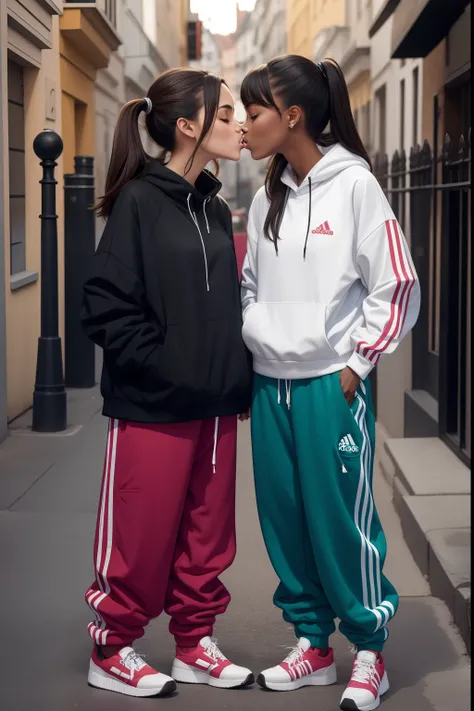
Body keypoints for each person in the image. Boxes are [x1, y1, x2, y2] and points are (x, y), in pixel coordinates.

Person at [240, 56, 420, 711]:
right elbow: (252, 284)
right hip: (272, 384)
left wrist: (356, 364)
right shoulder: (266, 197)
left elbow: (394, 282)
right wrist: (256, 332)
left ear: (291, 116)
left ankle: (370, 647)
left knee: (341, 519)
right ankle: (313, 643)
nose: (244, 126)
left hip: (330, 385)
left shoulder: (355, 187)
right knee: (284, 519)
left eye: (253, 112)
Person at [81, 68, 254, 699]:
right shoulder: (139, 202)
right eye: (228, 113)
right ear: (188, 126)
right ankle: (113, 647)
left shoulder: (211, 204)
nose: (240, 124)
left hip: (214, 407)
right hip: (152, 406)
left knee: (208, 538)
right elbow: (104, 304)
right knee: (140, 535)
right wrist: (165, 364)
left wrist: (226, 373)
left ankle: (193, 643)